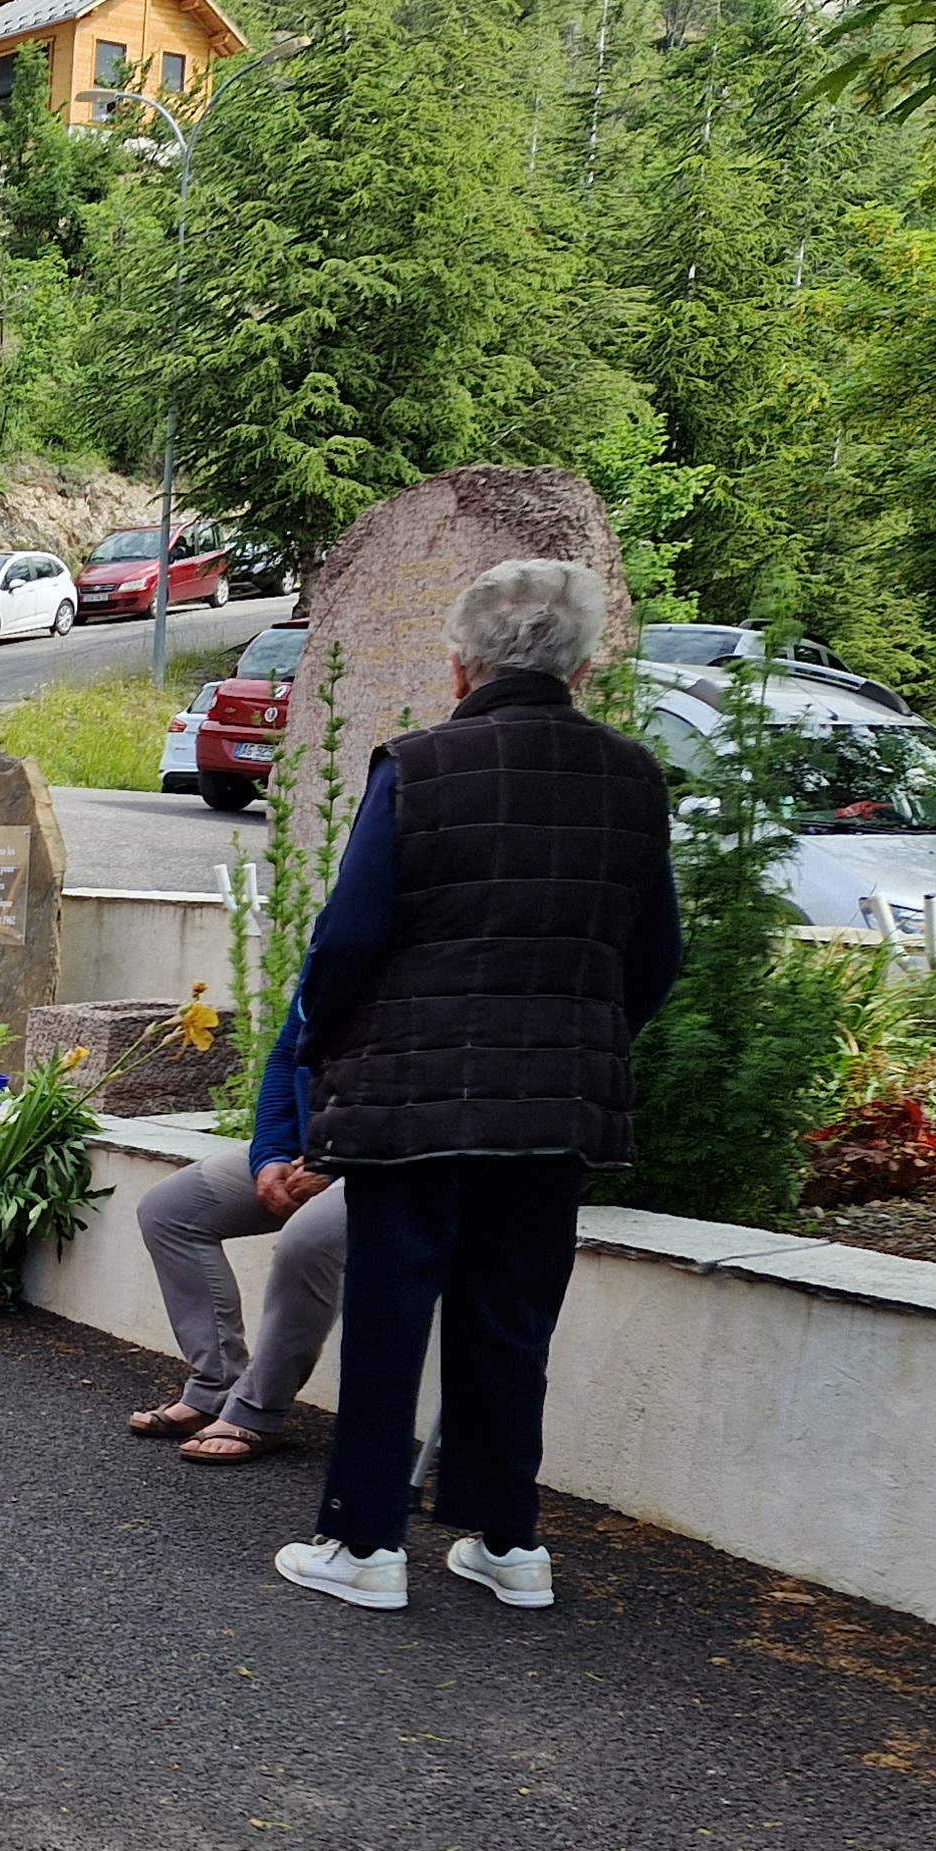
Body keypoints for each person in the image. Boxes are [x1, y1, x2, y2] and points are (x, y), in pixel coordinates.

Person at [274, 556, 682, 1616]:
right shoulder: (633, 777)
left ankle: (362, 1544)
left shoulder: (418, 766)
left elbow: (348, 937)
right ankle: (510, 1542)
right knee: (513, 1320)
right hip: (556, 1102)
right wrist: (592, 1040)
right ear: (586, 665)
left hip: (416, 1096)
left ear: (457, 665)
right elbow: (656, 956)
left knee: (390, 1314)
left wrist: (322, 1048)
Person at [124, 986, 344, 1463]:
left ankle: (258, 1411)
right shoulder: (336, 934)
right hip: (313, 1149)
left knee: (306, 1240)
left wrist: (337, 1157)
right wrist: (270, 1157)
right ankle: (215, 1388)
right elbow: (290, 1054)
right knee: (170, 1209)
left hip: (386, 1160)